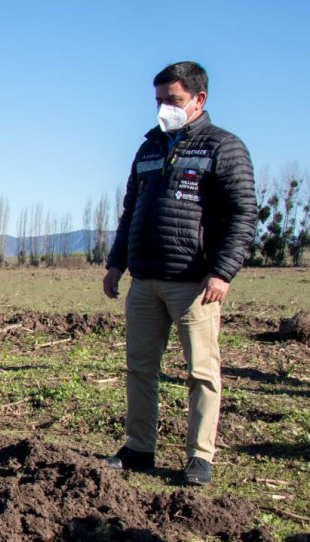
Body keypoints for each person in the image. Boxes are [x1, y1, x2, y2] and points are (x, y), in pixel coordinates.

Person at [102, 61, 258, 486]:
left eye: (172, 101)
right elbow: (130, 210)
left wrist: (222, 272)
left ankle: (199, 457)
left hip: (195, 283)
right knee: (140, 367)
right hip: (145, 278)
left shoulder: (222, 148)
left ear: (198, 100)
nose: (162, 109)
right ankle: (139, 447)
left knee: (201, 372)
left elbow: (243, 216)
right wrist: (117, 262)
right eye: (158, 101)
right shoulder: (149, 148)